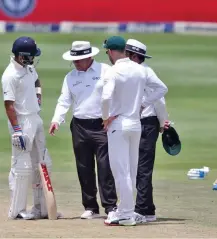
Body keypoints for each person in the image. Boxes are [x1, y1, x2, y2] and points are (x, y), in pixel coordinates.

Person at [101, 36, 168, 226]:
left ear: (112, 52)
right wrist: (143, 104)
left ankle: (126, 213)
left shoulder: (113, 71)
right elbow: (162, 89)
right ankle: (126, 211)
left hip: (118, 125)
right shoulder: (141, 70)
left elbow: (106, 97)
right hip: (136, 124)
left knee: (120, 171)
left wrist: (105, 117)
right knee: (130, 170)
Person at [49, 41, 118, 219]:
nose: (76, 63)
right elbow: (64, 101)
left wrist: (114, 115)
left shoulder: (106, 71)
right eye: (74, 59)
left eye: (79, 59)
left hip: (102, 125)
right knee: (84, 167)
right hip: (79, 125)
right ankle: (91, 207)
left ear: (90, 57)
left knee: (105, 167)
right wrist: (57, 119)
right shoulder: (70, 77)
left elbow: (117, 94)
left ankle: (110, 206)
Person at [1, 36, 54, 219]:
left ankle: (42, 208)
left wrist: (38, 96)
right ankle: (17, 211)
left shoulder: (29, 68)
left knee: (42, 161)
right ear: (22, 56)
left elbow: (37, 82)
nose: (33, 58)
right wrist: (17, 130)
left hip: (35, 118)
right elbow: (9, 105)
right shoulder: (10, 75)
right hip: (22, 122)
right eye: (31, 55)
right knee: (22, 167)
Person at [125, 39, 170, 223]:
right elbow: (158, 99)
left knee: (142, 168)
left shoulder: (145, 72)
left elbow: (160, 95)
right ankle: (149, 209)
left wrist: (161, 121)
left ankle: (142, 210)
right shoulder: (132, 71)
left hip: (146, 124)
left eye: (127, 54)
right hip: (138, 123)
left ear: (135, 57)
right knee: (134, 167)